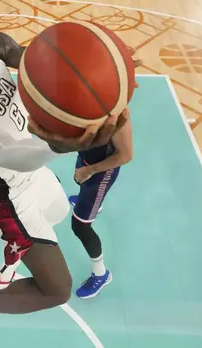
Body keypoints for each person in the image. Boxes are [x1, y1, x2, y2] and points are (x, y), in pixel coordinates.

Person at [0, 0, 133, 348]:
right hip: (4, 195)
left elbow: (45, 66)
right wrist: (62, 145)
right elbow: (7, 154)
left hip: (34, 171)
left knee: (60, 211)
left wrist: (110, 68)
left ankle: (13, 255)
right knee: (57, 289)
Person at [68, 119, 133, 299]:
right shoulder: (84, 103)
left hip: (101, 172)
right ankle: (93, 203)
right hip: (86, 158)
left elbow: (126, 155)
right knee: (80, 182)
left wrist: (91, 171)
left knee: (80, 226)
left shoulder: (119, 116)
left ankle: (100, 274)